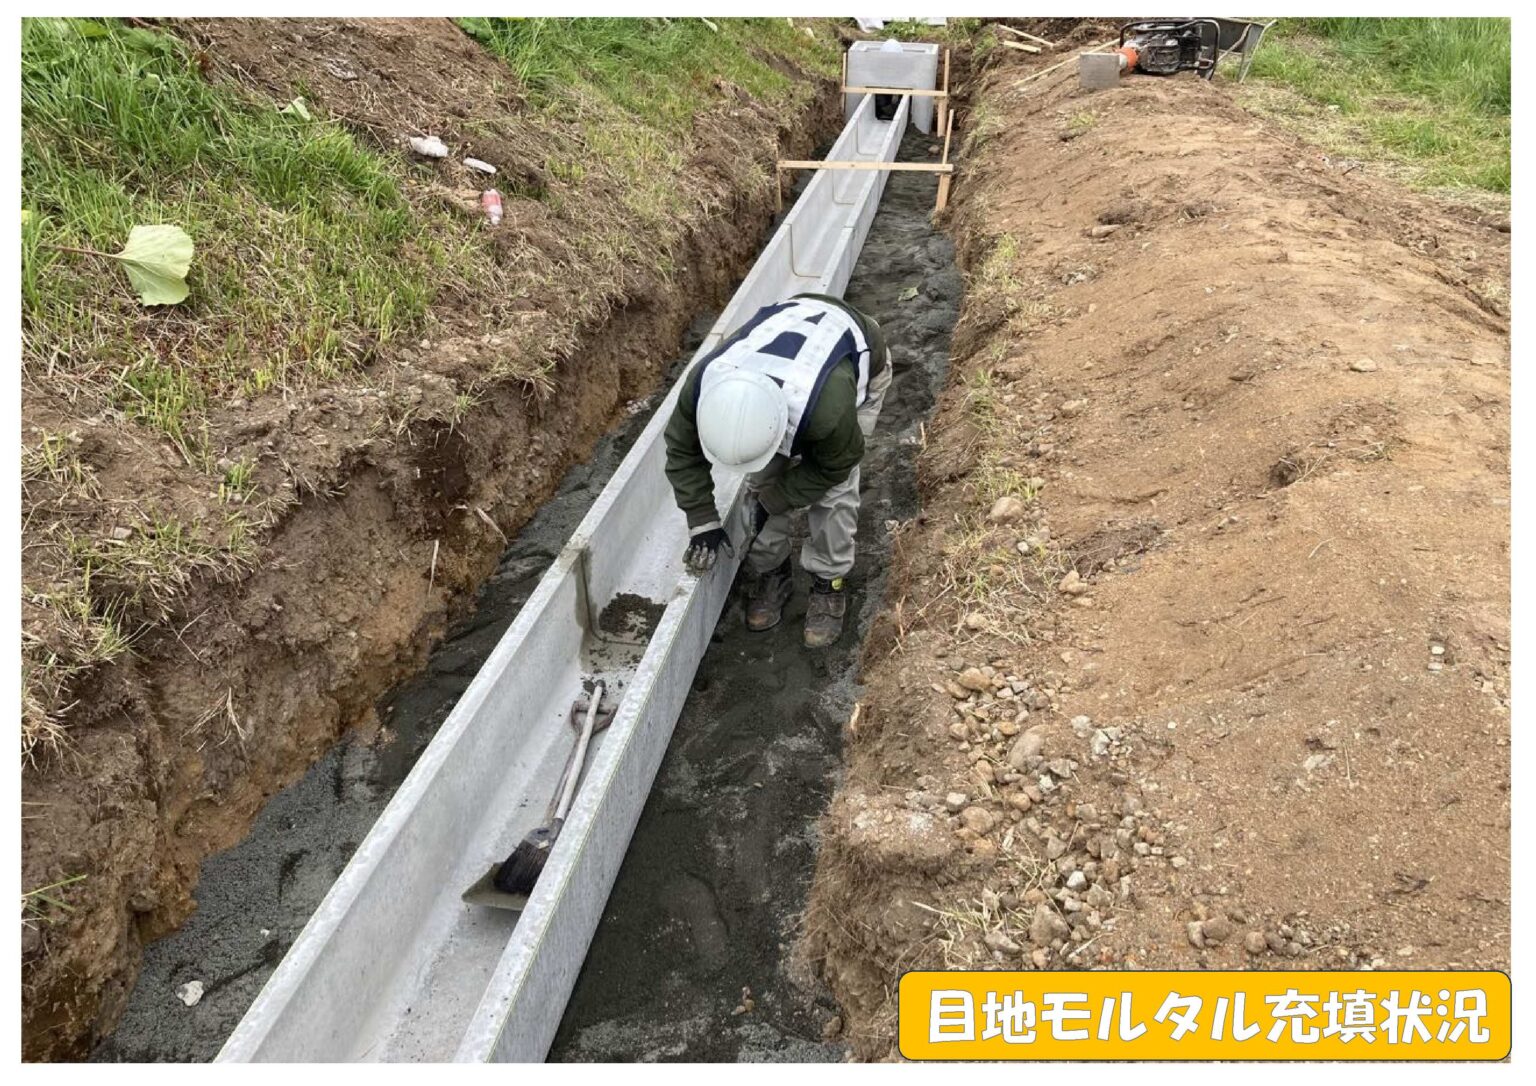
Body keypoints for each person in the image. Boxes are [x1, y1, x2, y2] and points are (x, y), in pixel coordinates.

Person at [664, 293, 892, 648]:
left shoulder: (828, 412)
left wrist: (777, 499)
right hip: (791, 331)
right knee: (759, 483)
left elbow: (836, 464)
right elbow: (682, 450)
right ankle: (774, 573)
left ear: (777, 429)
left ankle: (829, 582)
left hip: (857, 352)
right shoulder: (702, 386)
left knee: (834, 497)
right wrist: (702, 519)